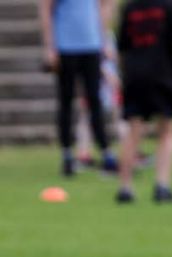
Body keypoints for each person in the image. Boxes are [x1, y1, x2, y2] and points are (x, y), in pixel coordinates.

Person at [114, 0, 172, 204]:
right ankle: (162, 186)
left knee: (133, 132)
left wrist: (123, 77)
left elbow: (121, 47)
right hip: (162, 76)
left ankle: (125, 188)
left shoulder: (131, 7)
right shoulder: (170, 5)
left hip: (134, 77)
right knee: (166, 131)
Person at [38, 0, 117, 178]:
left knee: (95, 101)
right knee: (66, 102)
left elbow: (103, 7)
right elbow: (45, 9)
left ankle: (106, 153)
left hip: (91, 44)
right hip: (66, 47)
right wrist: (49, 47)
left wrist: (103, 39)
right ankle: (67, 154)